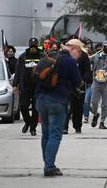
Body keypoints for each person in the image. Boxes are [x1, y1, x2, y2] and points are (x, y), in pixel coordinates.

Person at [35, 39, 85, 176]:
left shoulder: (50, 56)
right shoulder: (69, 61)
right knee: (55, 134)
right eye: (80, 52)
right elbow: (78, 82)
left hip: (41, 100)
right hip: (57, 101)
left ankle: (48, 164)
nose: (80, 55)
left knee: (46, 133)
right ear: (74, 49)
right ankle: (49, 167)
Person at [13, 37, 43, 136]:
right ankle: (28, 122)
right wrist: (15, 85)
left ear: (37, 46)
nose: (33, 48)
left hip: (38, 87)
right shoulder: (23, 56)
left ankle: (33, 128)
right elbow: (17, 71)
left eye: (34, 46)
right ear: (29, 46)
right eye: (31, 46)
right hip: (25, 86)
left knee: (36, 109)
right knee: (23, 106)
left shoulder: (42, 56)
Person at [64, 43, 92, 134]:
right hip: (67, 85)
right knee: (67, 107)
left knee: (78, 107)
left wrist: (83, 80)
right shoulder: (65, 56)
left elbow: (87, 71)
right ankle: (64, 127)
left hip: (80, 85)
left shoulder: (83, 56)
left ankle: (77, 126)